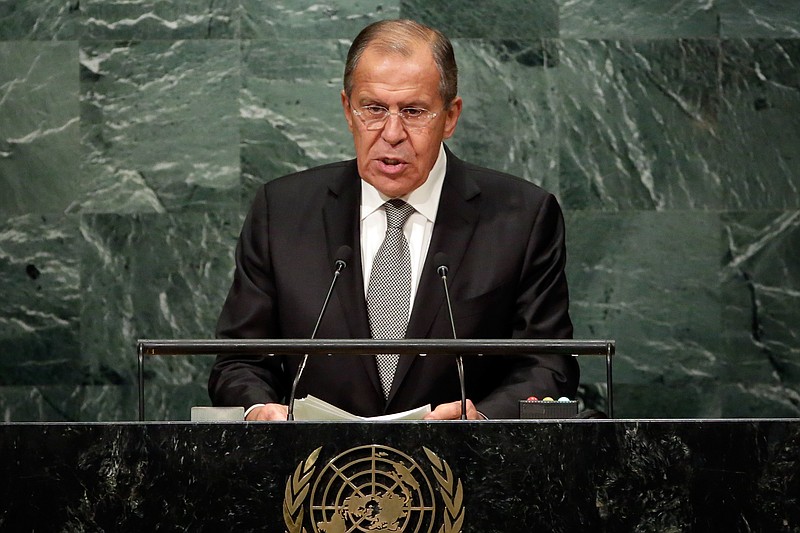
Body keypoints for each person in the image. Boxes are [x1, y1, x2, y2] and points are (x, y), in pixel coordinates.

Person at [208, 19, 578, 421]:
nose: (392, 132)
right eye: (373, 109)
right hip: (315, 472)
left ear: (450, 116)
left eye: (414, 111)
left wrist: (484, 418)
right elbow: (238, 360)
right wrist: (260, 409)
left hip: (466, 468)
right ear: (347, 110)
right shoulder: (281, 211)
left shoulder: (521, 217)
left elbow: (549, 364)